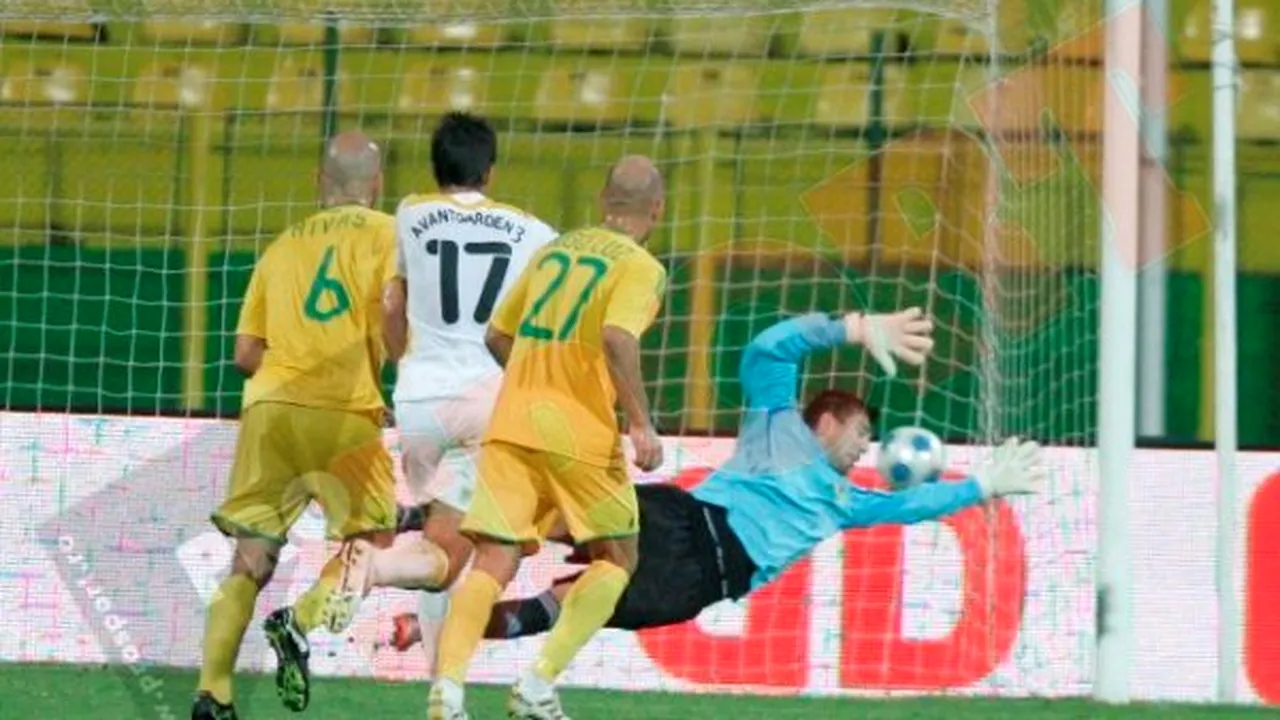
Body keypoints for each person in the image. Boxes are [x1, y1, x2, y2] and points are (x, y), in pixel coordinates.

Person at [383, 312, 1045, 650]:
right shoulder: (775, 424)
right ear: (827, 422)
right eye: (861, 432)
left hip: (700, 582)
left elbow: (910, 506)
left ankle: (433, 634)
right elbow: (767, 350)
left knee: (553, 612)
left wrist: (979, 487)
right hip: (687, 521)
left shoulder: (844, 503)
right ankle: (420, 518)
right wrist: (851, 328)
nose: (866, 447)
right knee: (540, 518)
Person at [192, 130, 440, 720]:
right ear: (377, 185)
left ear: (317, 181)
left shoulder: (280, 248)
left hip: (270, 411)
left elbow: (246, 351)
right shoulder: (390, 235)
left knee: (249, 558)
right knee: (373, 541)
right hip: (344, 412)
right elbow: (392, 310)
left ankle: (212, 694)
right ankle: (299, 623)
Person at [428, 156, 668, 720]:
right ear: (657, 209)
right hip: (579, 430)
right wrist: (639, 421)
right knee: (618, 557)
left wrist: (535, 387)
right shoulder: (641, 267)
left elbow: (497, 335)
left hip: (513, 421)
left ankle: (448, 692)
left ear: (601, 198)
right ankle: (536, 685)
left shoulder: (553, 250)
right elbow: (616, 338)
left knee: (493, 558)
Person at [329, 112, 558, 672]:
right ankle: (379, 572)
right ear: (491, 170)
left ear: (436, 167)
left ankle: (439, 689)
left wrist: (404, 360)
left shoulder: (409, 213)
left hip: (419, 399)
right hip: (486, 401)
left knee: (440, 541)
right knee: (464, 552)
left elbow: (390, 303)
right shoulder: (535, 231)